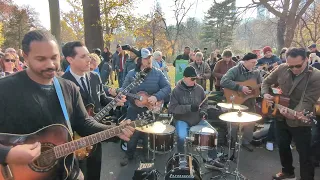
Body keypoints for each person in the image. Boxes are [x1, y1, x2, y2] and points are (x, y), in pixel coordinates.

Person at [0, 29, 134, 180]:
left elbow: (84, 123)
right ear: (25, 57)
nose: (50, 64)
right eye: (41, 59)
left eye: (54, 58)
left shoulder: (68, 88)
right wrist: (7, 154)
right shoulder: (5, 89)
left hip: (68, 173)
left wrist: (114, 131)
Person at [61, 41, 126, 180]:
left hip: (96, 134)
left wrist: (115, 101)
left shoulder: (95, 77)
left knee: (95, 171)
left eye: (88, 55)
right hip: (75, 140)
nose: (89, 59)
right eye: (83, 56)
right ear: (70, 59)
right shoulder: (63, 83)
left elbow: (102, 98)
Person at [262, 47, 320, 180]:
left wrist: (293, 114)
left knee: (305, 153)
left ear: (307, 59)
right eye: (290, 66)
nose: (294, 69)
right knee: (283, 146)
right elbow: (266, 81)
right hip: (279, 115)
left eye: (298, 66)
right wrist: (265, 94)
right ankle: (287, 172)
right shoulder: (282, 67)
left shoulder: (316, 76)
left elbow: (307, 101)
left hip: (300, 118)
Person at [112, 48, 171, 166]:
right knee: (131, 133)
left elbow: (167, 87)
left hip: (152, 109)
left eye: (150, 57)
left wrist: (156, 97)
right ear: (139, 60)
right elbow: (124, 90)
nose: (148, 60)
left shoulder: (158, 73)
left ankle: (146, 156)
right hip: (134, 109)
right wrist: (123, 95)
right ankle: (128, 155)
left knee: (147, 134)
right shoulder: (131, 74)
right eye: (145, 58)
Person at [168, 66, 224, 170]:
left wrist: (203, 111)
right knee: (181, 136)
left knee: (213, 133)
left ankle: (211, 159)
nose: (194, 82)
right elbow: (172, 109)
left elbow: (204, 103)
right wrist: (189, 108)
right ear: (185, 77)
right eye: (192, 79)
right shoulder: (176, 90)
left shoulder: (199, 89)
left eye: (195, 79)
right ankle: (182, 159)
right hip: (182, 119)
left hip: (197, 119)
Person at [220, 53, 263, 152]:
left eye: (255, 62)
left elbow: (262, 84)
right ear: (245, 61)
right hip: (236, 100)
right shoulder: (235, 70)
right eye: (252, 62)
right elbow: (224, 81)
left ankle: (246, 141)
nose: (254, 64)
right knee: (233, 123)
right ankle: (231, 141)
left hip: (250, 101)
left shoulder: (256, 73)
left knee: (251, 122)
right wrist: (240, 87)